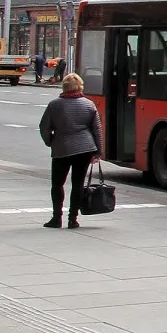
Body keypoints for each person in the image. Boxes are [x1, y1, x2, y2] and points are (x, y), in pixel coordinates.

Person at [38, 73, 101, 228]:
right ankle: (73, 218)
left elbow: (44, 127)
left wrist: (50, 142)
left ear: (64, 87)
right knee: (78, 184)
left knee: (57, 183)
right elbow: (97, 129)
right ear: (80, 86)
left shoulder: (54, 105)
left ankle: (56, 218)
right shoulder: (89, 104)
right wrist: (98, 151)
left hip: (62, 147)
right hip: (84, 148)